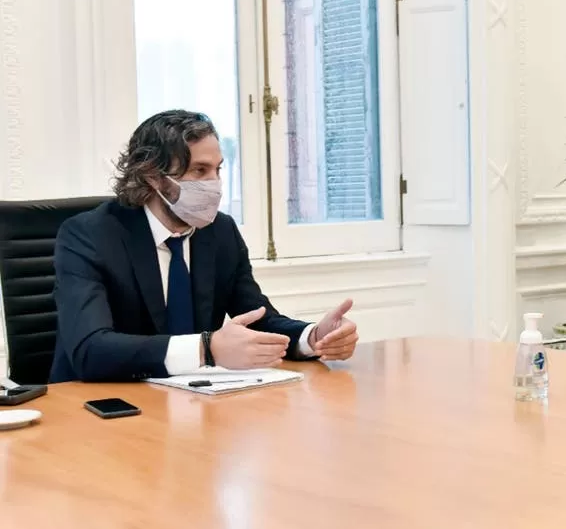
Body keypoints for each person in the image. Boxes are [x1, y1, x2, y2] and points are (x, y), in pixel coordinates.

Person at [50, 110, 360, 382]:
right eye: (199, 171)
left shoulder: (220, 232)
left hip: (193, 403)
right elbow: (91, 349)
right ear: (152, 177)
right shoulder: (88, 236)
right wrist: (206, 348)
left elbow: (258, 318)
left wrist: (313, 337)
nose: (214, 184)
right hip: (97, 410)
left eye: (218, 170)